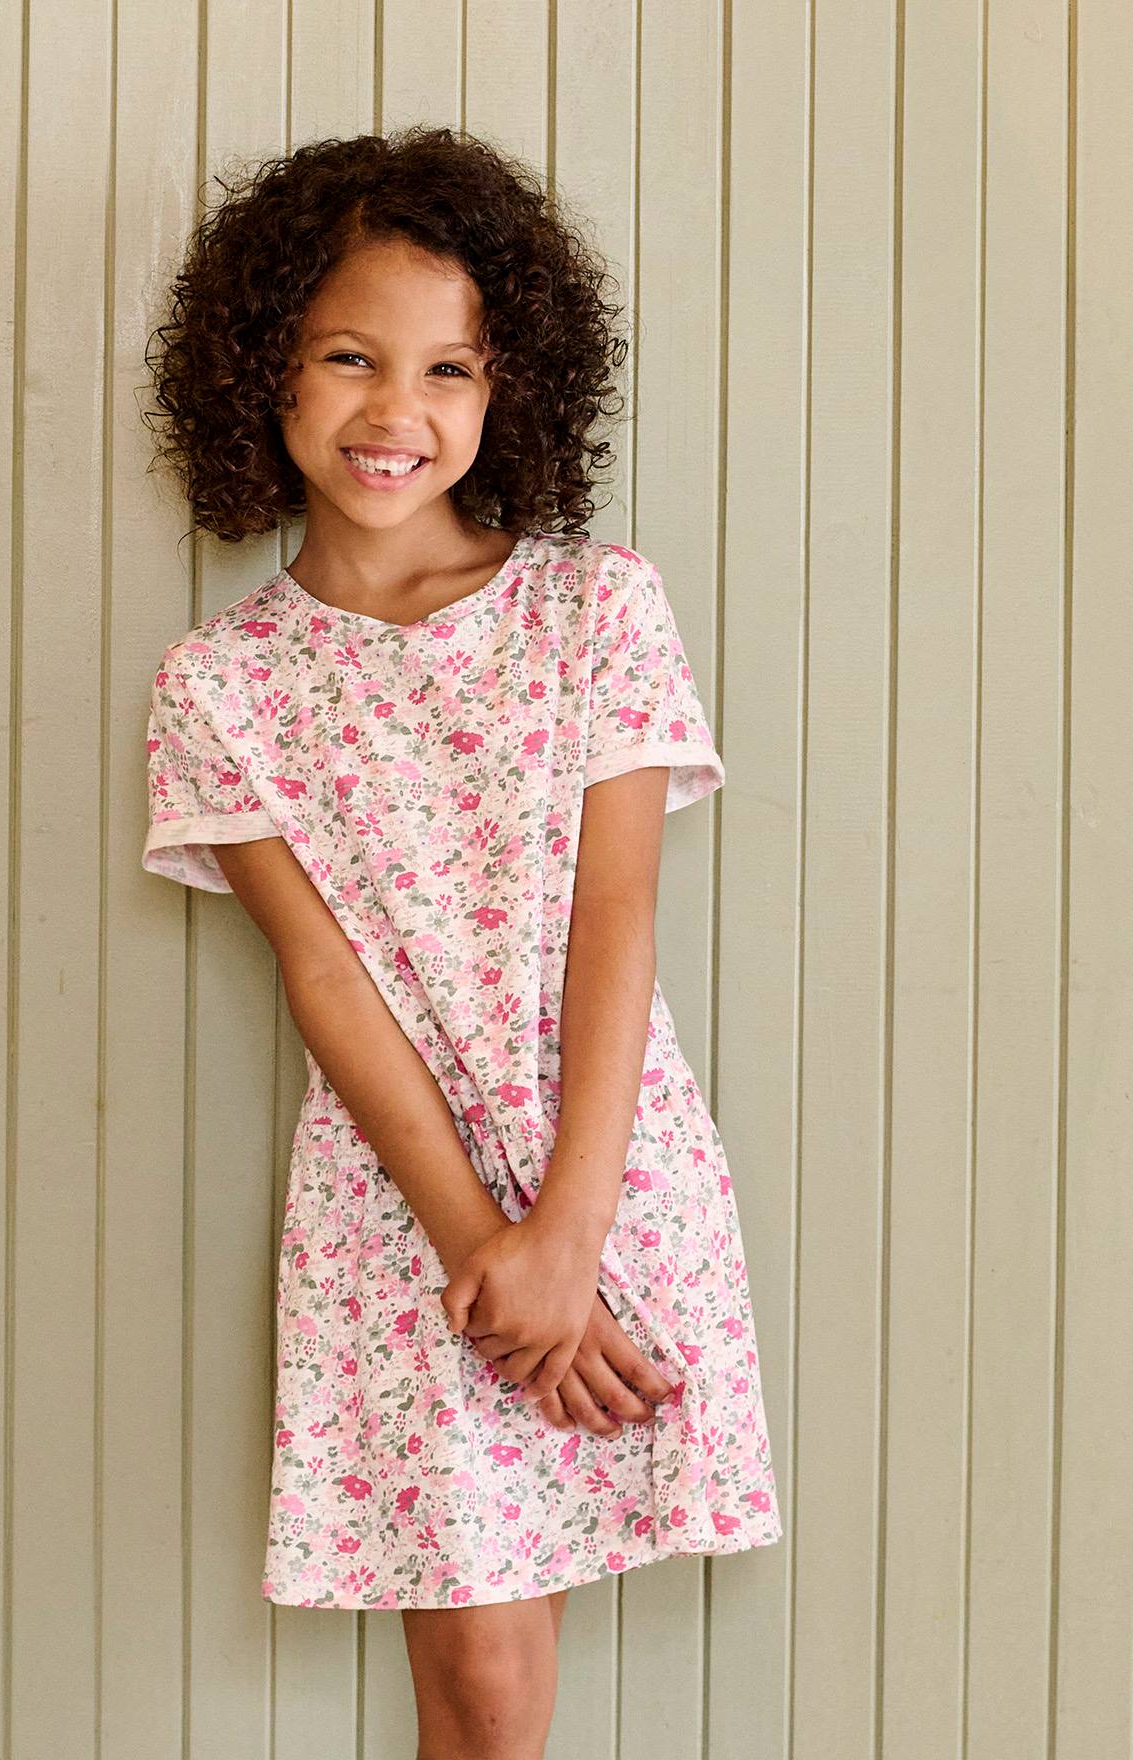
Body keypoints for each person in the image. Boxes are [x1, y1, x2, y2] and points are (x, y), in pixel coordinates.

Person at [140, 124, 782, 1758]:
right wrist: (489, 1257)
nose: (395, 410)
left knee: (512, 1671)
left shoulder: (597, 609)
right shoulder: (222, 686)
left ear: (510, 391)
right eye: (350, 356)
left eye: (449, 369)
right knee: (481, 1688)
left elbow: (617, 917)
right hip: (401, 1207)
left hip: (607, 1162)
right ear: (266, 366)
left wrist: (566, 1232)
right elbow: (325, 982)